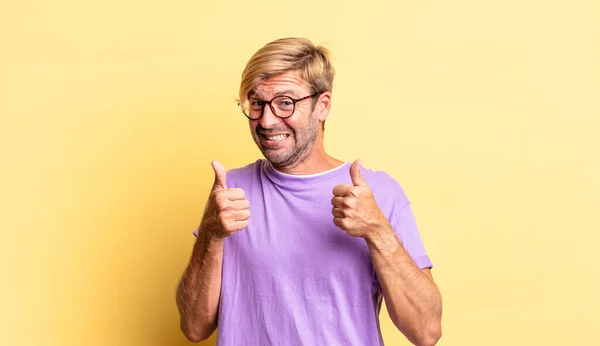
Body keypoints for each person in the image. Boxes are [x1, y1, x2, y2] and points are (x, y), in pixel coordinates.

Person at [175, 37, 442, 346]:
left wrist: (377, 231)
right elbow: (194, 328)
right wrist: (210, 234)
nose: (267, 120)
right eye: (257, 103)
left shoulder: (375, 194)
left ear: (322, 105)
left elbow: (426, 331)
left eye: (285, 103)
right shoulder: (231, 191)